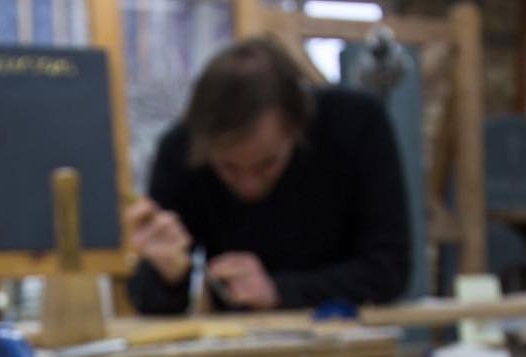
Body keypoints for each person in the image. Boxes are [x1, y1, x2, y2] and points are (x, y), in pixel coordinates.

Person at [126, 36, 411, 314]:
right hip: (235, 347)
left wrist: (280, 290)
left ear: (298, 128)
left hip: (349, 341)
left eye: (267, 164)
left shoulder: (354, 124)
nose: (249, 186)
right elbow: (148, 298)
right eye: (229, 168)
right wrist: (167, 274)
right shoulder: (182, 149)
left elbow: (389, 268)